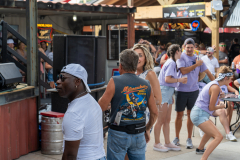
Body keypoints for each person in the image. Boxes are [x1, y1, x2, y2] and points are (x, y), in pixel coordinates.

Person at [98, 49, 158, 160]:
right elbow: (154, 112)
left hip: (118, 134)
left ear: (120, 66)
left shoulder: (114, 81)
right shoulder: (146, 84)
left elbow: (100, 106)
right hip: (139, 133)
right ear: (136, 65)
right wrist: (147, 128)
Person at [56, 64, 106, 160]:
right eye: (58, 77)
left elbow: (70, 155)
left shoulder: (74, 112)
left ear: (77, 81)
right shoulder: (91, 101)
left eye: (63, 78)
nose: (58, 82)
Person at [173, 38, 215, 149]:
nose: (190, 49)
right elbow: (183, 71)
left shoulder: (198, 59)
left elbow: (208, 73)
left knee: (191, 116)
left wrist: (216, 85)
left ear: (194, 48)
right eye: (188, 47)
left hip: (194, 91)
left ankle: (189, 139)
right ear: (184, 47)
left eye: (192, 47)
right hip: (181, 90)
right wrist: (196, 65)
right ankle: (176, 137)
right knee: (179, 115)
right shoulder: (181, 57)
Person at [191, 66, 235, 159]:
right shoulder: (215, 87)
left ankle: (200, 148)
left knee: (211, 131)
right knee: (218, 137)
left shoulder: (215, 85)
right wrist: (222, 106)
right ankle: (203, 158)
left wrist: (220, 97)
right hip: (199, 114)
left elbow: (210, 104)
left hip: (199, 113)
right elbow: (211, 107)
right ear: (226, 78)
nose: (231, 81)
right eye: (230, 79)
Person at [154, 44, 187, 152]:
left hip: (167, 92)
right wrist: (180, 80)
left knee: (166, 120)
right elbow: (168, 79)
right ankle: (157, 143)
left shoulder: (171, 62)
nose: (181, 53)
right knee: (161, 120)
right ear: (177, 51)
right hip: (164, 91)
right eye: (180, 51)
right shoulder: (172, 63)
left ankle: (167, 142)